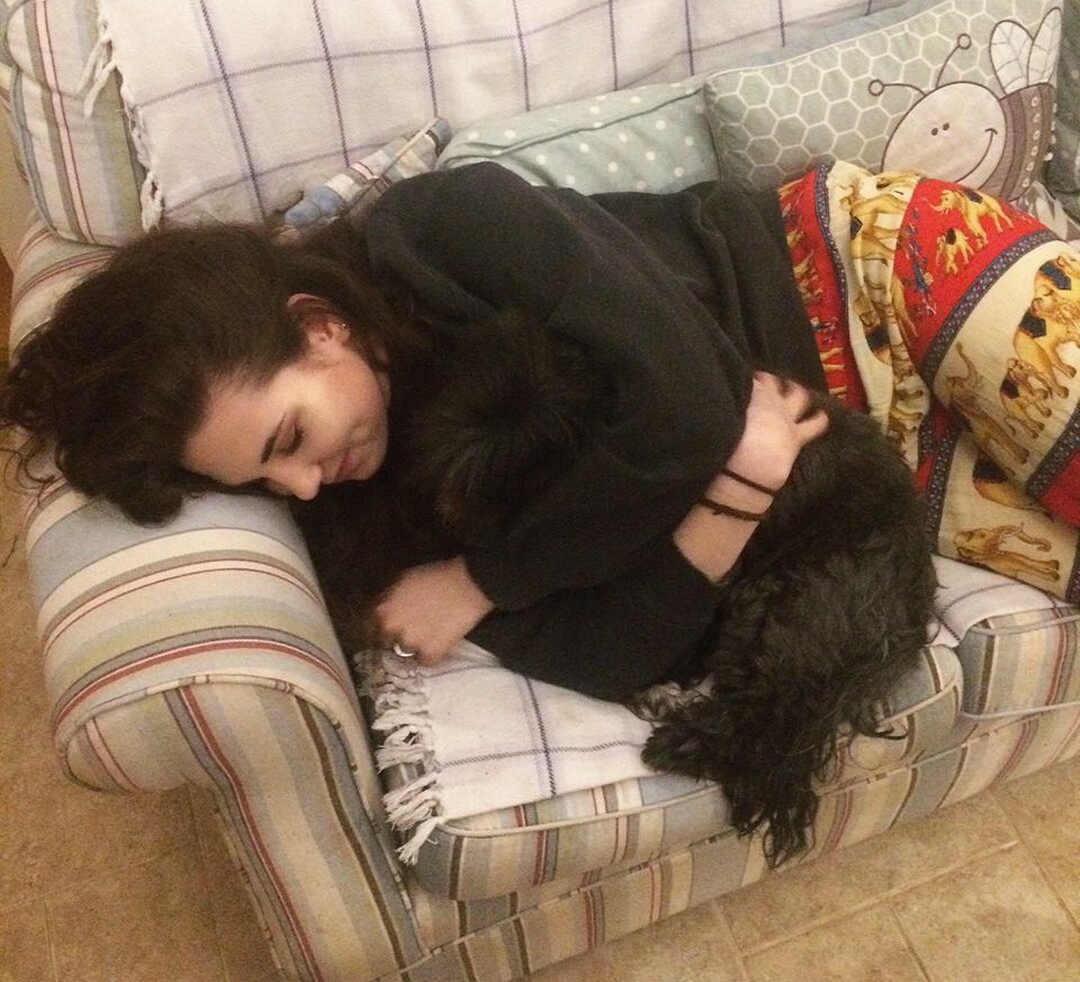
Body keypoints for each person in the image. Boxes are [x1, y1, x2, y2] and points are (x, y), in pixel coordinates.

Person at [1, 162, 828, 699]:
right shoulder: (363, 519)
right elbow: (606, 657)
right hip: (841, 447)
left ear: (320, 326)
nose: (303, 484)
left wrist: (488, 578)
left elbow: (690, 411)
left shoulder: (445, 229)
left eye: (288, 440)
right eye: (260, 483)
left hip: (828, 263)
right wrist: (741, 487)